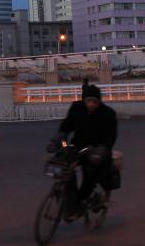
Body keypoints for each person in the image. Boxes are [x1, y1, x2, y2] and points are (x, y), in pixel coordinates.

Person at [48, 80, 118, 214]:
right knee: (65, 167)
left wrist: (101, 150)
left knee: (90, 175)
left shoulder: (108, 114)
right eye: (88, 101)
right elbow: (66, 126)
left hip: (96, 151)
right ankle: (70, 199)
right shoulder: (76, 108)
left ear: (99, 101)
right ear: (84, 100)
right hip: (77, 146)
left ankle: (81, 202)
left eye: (94, 101)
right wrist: (60, 141)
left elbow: (110, 137)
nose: (91, 104)